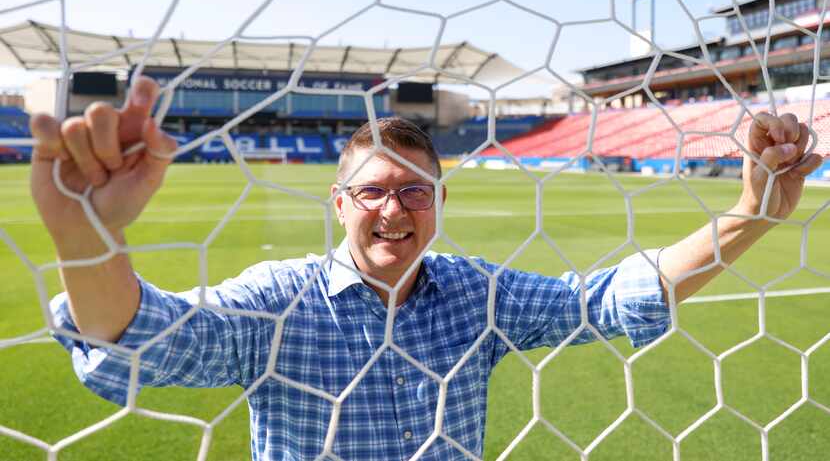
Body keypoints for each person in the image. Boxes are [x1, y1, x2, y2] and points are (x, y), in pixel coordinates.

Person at [29, 77, 822, 460]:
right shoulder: (280, 300)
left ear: (437, 203)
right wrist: (87, 239)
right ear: (339, 202)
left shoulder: (474, 294)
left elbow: (606, 300)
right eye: (373, 190)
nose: (395, 209)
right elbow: (142, 341)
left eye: (416, 190)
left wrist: (750, 213)